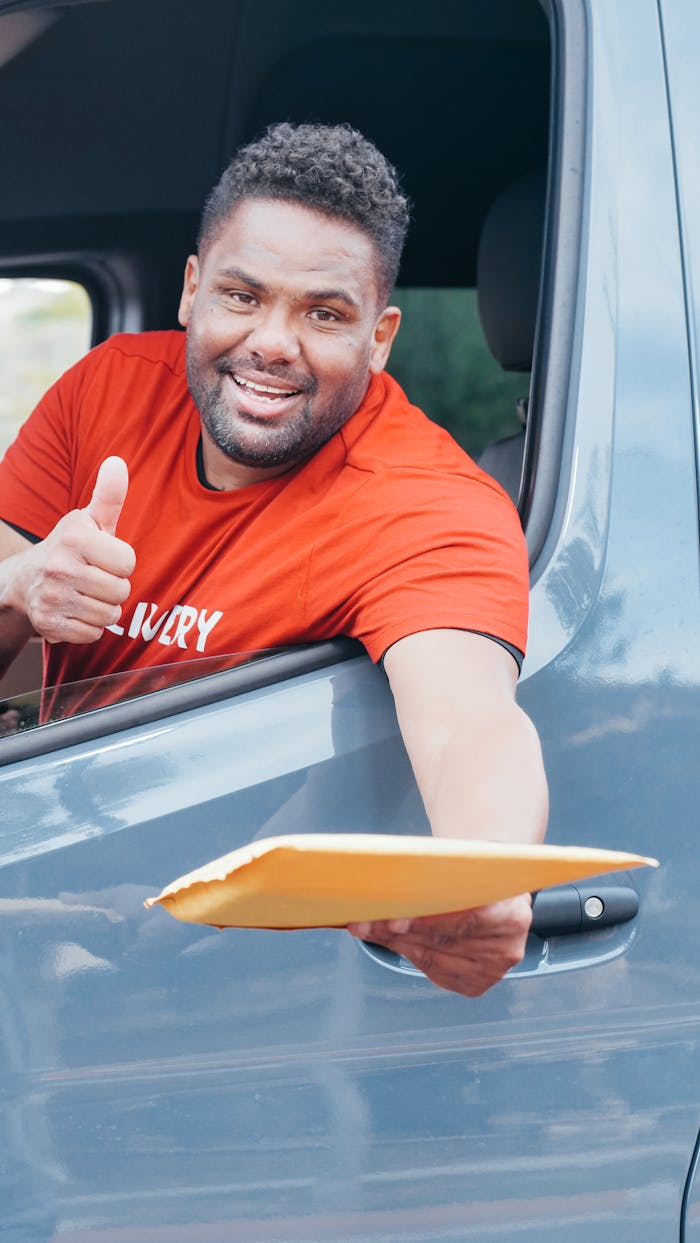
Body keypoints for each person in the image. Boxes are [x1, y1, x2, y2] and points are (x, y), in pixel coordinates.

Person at [0, 122, 547, 997]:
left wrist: (485, 882)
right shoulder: (104, 389)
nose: (272, 343)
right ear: (191, 290)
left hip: (235, 962)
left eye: (324, 314)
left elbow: (469, 724)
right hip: (43, 881)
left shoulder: (429, 502)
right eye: (243, 296)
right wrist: (21, 589)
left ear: (379, 338)